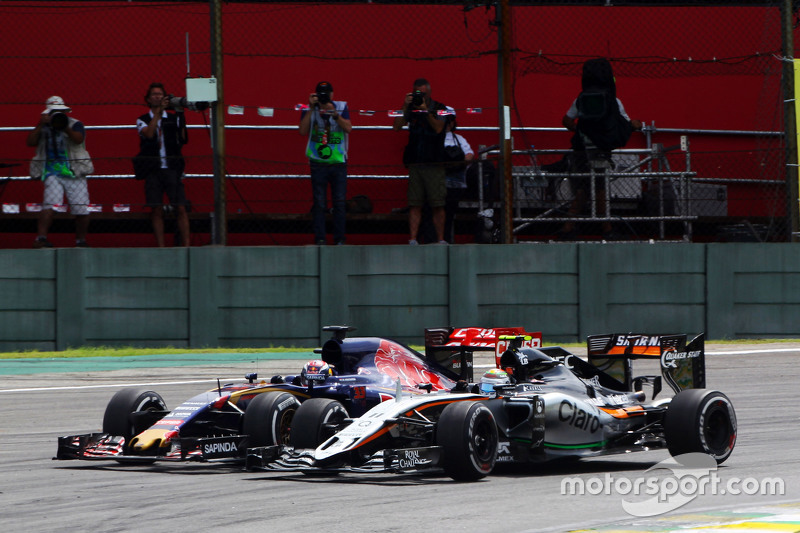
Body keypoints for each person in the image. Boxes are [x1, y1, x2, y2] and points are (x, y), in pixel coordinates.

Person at [557, 58, 642, 240]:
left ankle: (569, 227)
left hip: (581, 150)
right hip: (601, 151)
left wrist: (580, 131)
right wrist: (636, 125)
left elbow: (566, 120)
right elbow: (625, 123)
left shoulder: (581, 99)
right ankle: (606, 229)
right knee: (599, 188)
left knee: (584, 188)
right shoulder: (613, 101)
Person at [27, 96, 93, 248]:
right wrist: (39, 125)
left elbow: (78, 139)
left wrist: (65, 127)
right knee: (49, 205)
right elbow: (30, 142)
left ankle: (80, 241)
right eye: (53, 112)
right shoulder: (44, 126)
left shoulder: (75, 124)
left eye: (59, 112)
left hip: (73, 170)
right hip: (52, 172)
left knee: (81, 208)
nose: (57, 115)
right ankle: (41, 238)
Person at [393, 78, 448, 245]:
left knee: (437, 203)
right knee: (414, 203)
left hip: (434, 162)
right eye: (417, 93)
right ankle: (413, 239)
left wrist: (425, 111)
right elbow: (396, 126)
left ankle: (440, 239)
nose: (420, 96)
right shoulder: (410, 108)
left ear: (429, 92)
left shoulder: (441, 108)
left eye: (423, 93)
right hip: (416, 162)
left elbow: (439, 128)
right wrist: (404, 106)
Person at [136, 82, 190, 247]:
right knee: (156, 209)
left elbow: (183, 139)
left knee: (180, 207)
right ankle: (161, 246)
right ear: (148, 99)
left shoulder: (172, 118)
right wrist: (158, 114)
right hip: (153, 169)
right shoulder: (143, 119)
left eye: (161, 94)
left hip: (171, 167)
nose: (158, 97)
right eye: (154, 94)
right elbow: (150, 134)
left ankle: (187, 245)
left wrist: (180, 114)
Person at [299, 81, 352, 245]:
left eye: (326, 94)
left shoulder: (341, 106)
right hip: (317, 162)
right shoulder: (309, 108)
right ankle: (320, 238)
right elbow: (302, 130)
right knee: (319, 203)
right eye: (321, 94)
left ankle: (340, 239)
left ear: (332, 94)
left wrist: (334, 113)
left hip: (338, 162)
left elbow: (349, 128)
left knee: (339, 203)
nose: (324, 97)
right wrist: (310, 108)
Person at [442, 112, 474, 243]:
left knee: (449, 214)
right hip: (439, 182)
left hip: (456, 183)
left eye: (450, 121)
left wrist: (455, 164)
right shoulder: (434, 138)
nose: (447, 124)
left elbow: (470, 155)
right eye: (445, 120)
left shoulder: (459, 138)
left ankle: (447, 239)